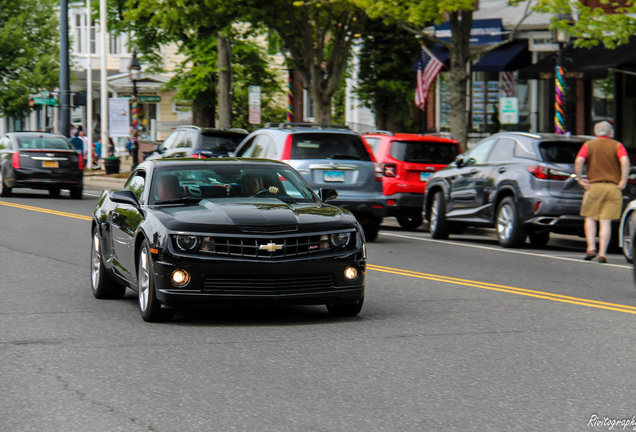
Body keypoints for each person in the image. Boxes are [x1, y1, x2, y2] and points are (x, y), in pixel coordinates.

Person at [574, 121, 630, 263]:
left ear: (595, 133)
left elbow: (579, 161)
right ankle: (602, 253)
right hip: (613, 187)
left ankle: (591, 248)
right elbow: (624, 161)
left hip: (593, 187)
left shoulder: (589, 145)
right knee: (606, 222)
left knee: (590, 218)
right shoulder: (617, 145)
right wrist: (623, 181)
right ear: (610, 133)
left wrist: (580, 178)